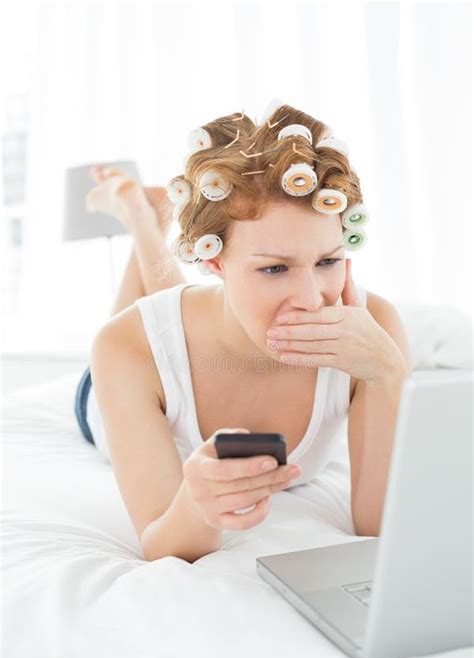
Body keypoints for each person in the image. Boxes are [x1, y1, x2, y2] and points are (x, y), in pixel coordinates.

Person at [74, 102, 411, 564]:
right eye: (275, 268)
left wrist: (390, 373)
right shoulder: (124, 347)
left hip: (203, 313)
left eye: (328, 262)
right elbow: (163, 545)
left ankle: (150, 216)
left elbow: (377, 529)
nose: (312, 299)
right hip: (107, 389)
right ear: (211, 261)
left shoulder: (377, 331)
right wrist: (198, 505)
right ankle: (139, 214)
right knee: (153, 325)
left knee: (189, 310)